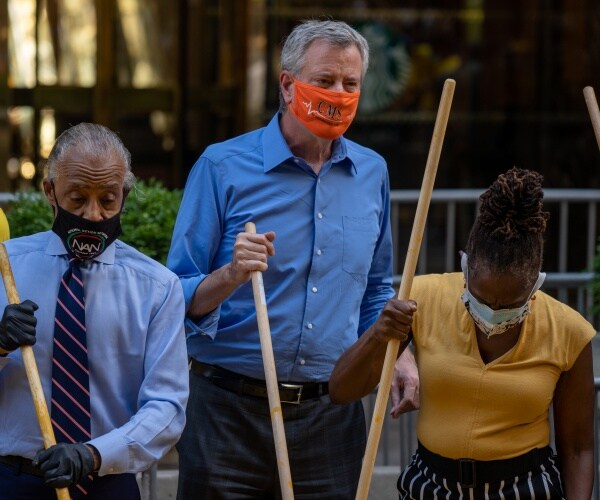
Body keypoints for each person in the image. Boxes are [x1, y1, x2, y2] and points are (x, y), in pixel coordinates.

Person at [167, 18, 417, 499]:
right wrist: (231, 275)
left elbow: (376, 289)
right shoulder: (222, 167)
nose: (338, 93)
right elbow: (174, 294)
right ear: (287, 85)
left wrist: (399, 353)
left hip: (331, 413)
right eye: (324, 81)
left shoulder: (372, 172)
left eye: (350, 84)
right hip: (226, 410)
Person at [329, 167, 595, 499]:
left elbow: (578, 449)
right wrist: (378, 334)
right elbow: (342, 390)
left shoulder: (569, 331)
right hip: (433, 485)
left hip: (524, 488)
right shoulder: (421, 298)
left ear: (535, 284)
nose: (495, 312)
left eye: (511, 303)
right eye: (482, 299)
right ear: (465, 268)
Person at [0, 122, 189, 499]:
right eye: (77, 198)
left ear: (126, 195)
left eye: (108, 199)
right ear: (50, 192)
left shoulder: (158, 288)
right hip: (13, 479)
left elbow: (166, 405)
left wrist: (92, 454)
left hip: (108, 481)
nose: (93, 215)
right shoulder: (5, 270)